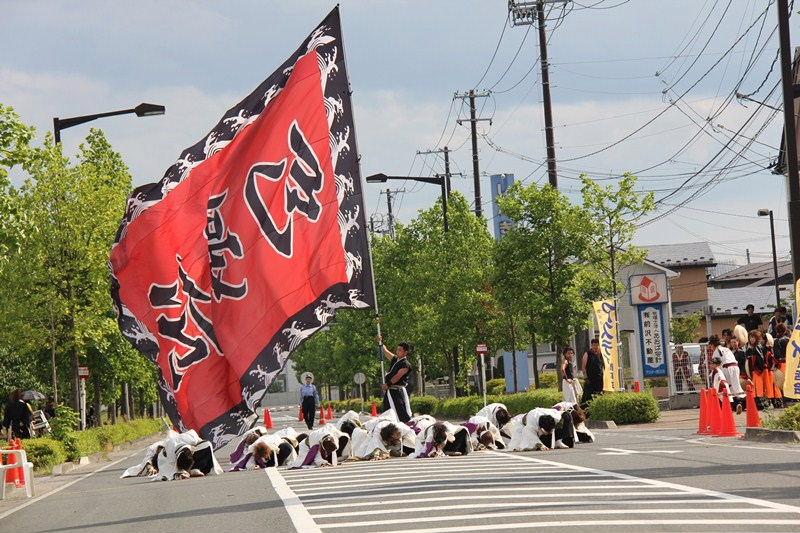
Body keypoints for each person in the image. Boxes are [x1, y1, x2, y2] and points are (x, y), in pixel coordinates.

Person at [121, 429, 223, 481]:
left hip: (189, 451)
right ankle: (189, 469)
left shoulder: (190, 437)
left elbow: (202, 443)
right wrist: (149, 466)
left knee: (207, 445)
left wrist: (193, 450)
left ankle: (195, 468)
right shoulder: (162, 450)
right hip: (173, 458)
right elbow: (164, 470)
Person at [378, 336, 413, 423]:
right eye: (397, 350)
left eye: (400, 350)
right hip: (390, 391)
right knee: (387, 411)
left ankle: (408, 427)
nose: (397, 351)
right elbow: (385, 352)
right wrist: (381, 342)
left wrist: (387, 384)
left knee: (400, 411)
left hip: (397, 391)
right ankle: (389, 427)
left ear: (405, 352)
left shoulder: (406, 365)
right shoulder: (395, 360)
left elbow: (397, 376)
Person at [708, 335, 745, 414]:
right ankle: (740, 403)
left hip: (726, 368)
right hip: (735, 367)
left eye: (710, 345)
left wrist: (711, 375)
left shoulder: (716, 352)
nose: (710, 347)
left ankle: (731, 406)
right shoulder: (727, 349)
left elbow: (716, 365)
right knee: (736, 386)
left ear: (712, 344)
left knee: (727, 387)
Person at [508, 407, 573, 451]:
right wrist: (540, 445)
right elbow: (530, 435)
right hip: (522, 425)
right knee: (518, 445)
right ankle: (549, 442)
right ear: (541, 427)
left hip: (543, 422)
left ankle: (558, 441)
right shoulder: (531, 423)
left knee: (567, 415)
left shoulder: (555, 416)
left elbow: (563, 414)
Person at [581, 338, 605, 407]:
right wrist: (585, 377)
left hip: (599, 378)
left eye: (597, 345)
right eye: (594, 345)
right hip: (590, 379)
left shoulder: (601, 354)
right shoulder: (587, 353)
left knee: (599, 394)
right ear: (591, 345)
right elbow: (583, 367)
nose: (595, 347)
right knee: (588, 396)